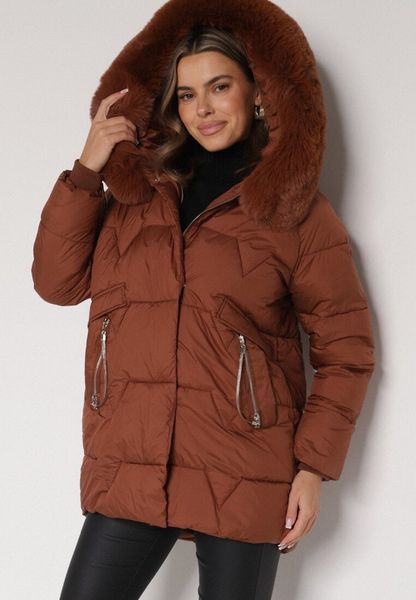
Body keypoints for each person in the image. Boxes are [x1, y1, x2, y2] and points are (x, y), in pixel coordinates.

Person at [31, 1, 376, 598]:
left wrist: (313, 469)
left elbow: (347, 351)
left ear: (258, 93)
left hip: (246, 469)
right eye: (187, 94)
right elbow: (55, 283)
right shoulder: (135, 199)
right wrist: (88, 171)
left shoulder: (295, 213)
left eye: (219, 87)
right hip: (132, 464)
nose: (203, 109)